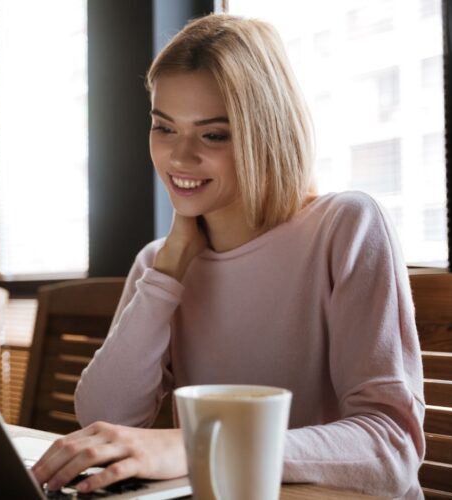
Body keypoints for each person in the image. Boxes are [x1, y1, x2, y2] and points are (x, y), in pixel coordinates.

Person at [31, 13, 425, 500]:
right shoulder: (160, 263)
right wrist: (170, 267)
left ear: (266, 133)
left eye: (213, 134)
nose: (179, 157)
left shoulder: (346, 226)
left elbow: (392, 447)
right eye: (164, 128)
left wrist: (200, 448)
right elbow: (104, 417)